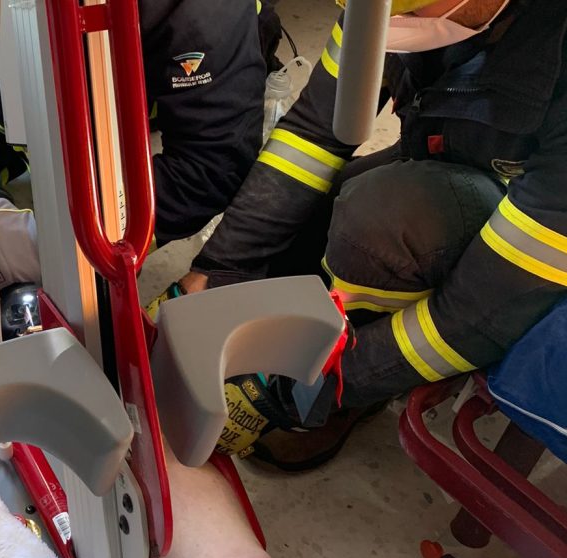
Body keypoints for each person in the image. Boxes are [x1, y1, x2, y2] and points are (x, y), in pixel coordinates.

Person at [163, 0, 567, 471]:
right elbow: (312, 135)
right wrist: (219, 269)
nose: (392, 22)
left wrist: (315, 386)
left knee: (381, 225)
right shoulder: (389, 8)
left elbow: (478, 315)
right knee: (304, 219)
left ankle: (342, 401)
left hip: (534, 245)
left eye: (409, 11)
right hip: (448, 157)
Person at [0, 0, 271, 260]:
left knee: (86, 277)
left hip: (146, 71)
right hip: (31, 41)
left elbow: (211, 165)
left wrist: (56, 246)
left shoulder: (202, 13)